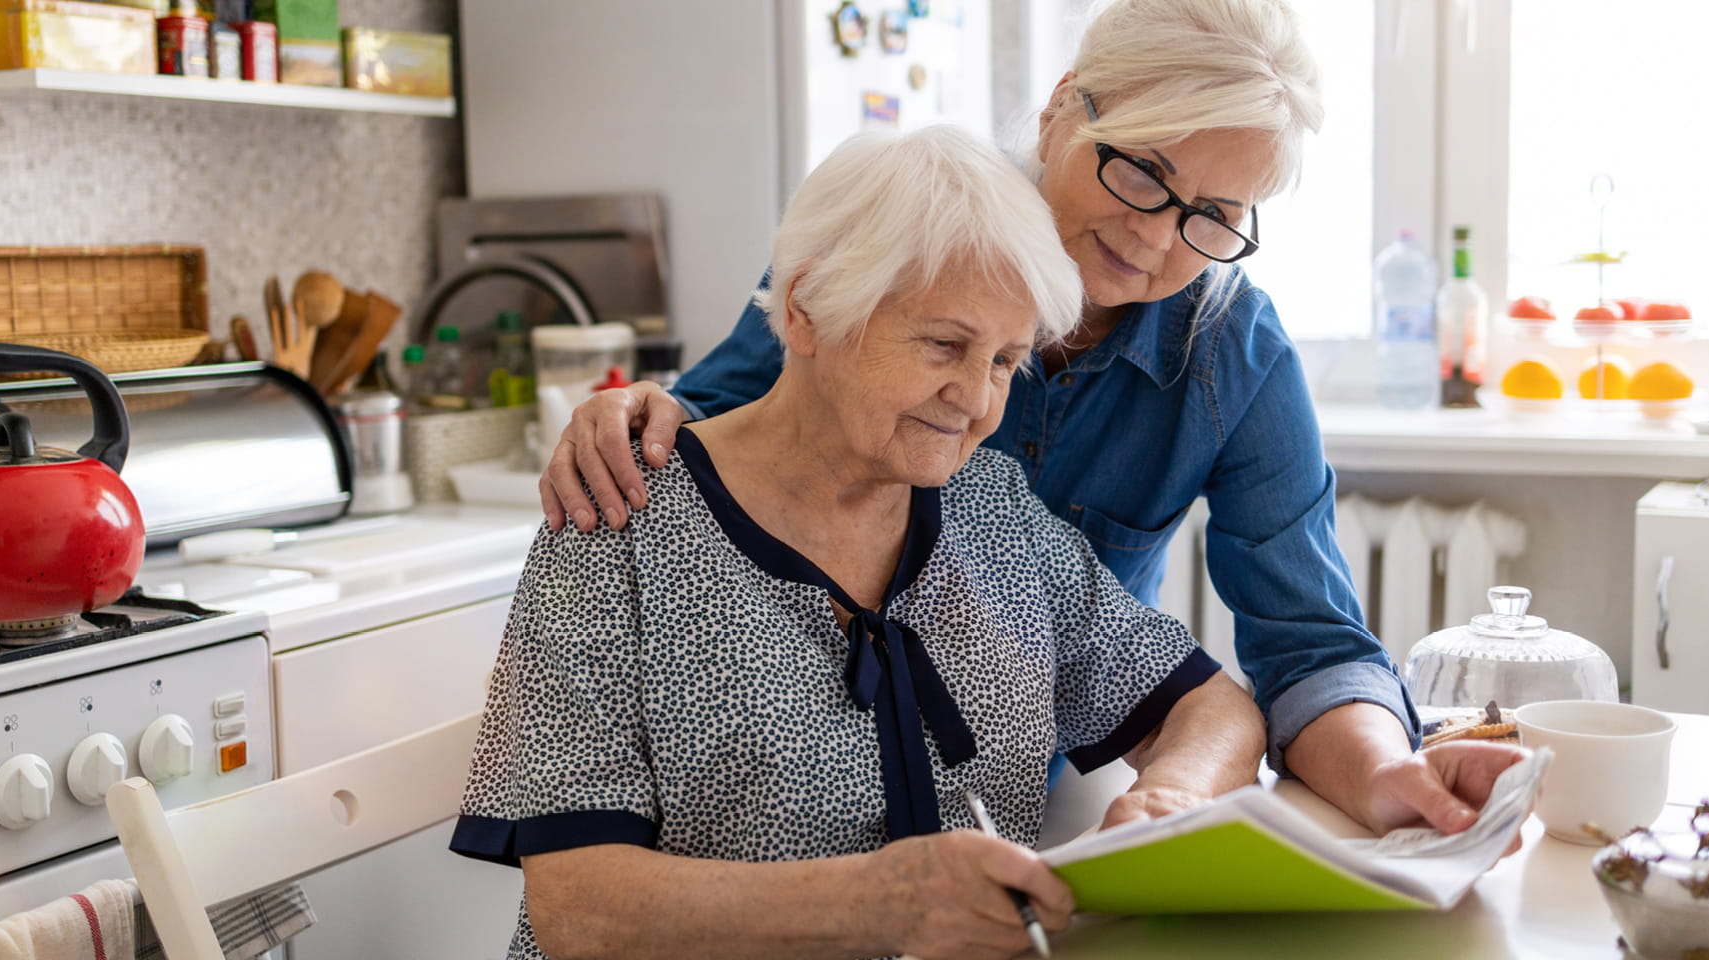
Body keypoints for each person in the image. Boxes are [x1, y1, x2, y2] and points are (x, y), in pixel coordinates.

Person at [540, 0, 1527, 838]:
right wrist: (626, 416)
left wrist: (1388, 775)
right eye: (1141, 171)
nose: (1153, 235)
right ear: (1063, 108)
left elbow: (1307, 646)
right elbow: (713, 433)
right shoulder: (896, 236)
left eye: (1213, 215)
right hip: (766, 788)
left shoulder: (1231, 355)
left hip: (1008, 795)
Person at [453, 125, 1264, 960]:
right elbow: (579, 910)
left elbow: (1213, 709)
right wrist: (882, 903)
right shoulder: (617, 519)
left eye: (1004, 362)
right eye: (945, 344)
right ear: (806, 309)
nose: (975, 403)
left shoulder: (993, 511)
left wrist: (1171, 798)